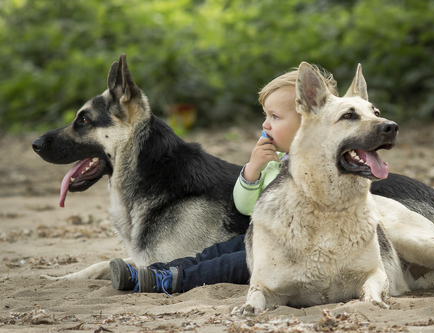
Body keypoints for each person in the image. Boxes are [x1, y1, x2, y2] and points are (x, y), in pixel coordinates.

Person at [109, 65, 338, 294]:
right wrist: (253, 170)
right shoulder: (273, 162)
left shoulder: (323, 164)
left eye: (275, 117)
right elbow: (245, 206)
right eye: (266, 115)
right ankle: (154, 272)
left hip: (289, 255)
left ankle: (167, 280)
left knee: (223, 266)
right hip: (260, 238)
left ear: (309, 118)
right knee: (212, 254)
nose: (265, 125)